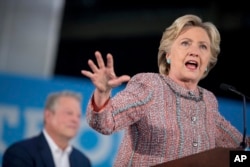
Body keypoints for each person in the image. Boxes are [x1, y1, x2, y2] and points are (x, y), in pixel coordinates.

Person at [81, 14, 246, 166]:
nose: (194, 52)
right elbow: (105, 123)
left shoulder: (208, 102)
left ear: (208, 63)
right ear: (168, 55)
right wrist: (102, 94)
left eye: (203, 47)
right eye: (185, 43)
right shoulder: (151, 85)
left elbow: (241, 149)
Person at [2, 90, 91, 167]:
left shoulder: (83, 162)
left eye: (78, 116)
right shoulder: (20, 153)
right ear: (48, 115)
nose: (75, 120)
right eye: (69, 113)